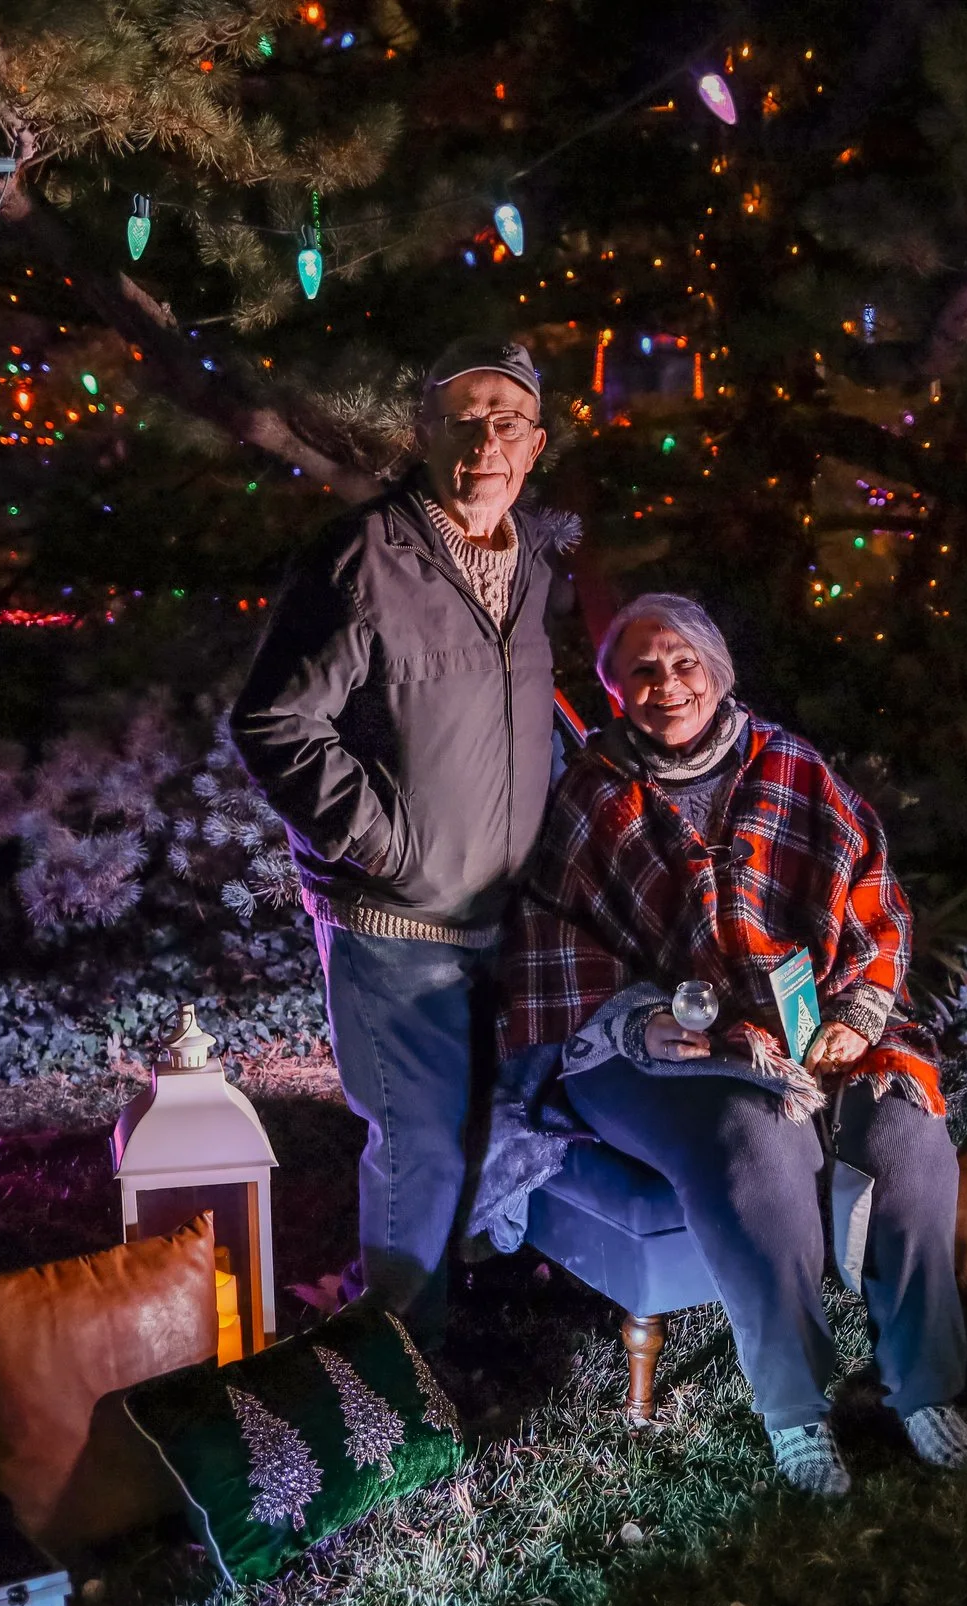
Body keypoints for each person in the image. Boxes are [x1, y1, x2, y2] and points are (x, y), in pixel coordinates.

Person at [499, 593, 967, 1495]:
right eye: (641, 668)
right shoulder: (594, 791)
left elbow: (875, 901)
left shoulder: (791, 767)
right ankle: (797, 1410)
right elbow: (550, 938)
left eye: (682, 662)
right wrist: (636, 1018)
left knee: (908, 1136)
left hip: (807, 1025)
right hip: (648, 1043)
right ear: (613, 690)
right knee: (756, 1141)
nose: (665, 683)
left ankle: (924, 1388)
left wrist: (861, 1016)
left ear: (717, 673)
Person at [231, 338, 568, 1345]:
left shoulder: (534, 561)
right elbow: (275, 720)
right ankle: (396, 1364)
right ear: (422, 434)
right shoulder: (364, 555)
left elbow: (516, 713)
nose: (484, 438)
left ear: (535, 444)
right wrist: (384, 842)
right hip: (396, 919)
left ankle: (465, 1313)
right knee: (418, 1144)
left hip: (500, 914)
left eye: (506, 418)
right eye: (461, 416)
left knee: (484, 1129)